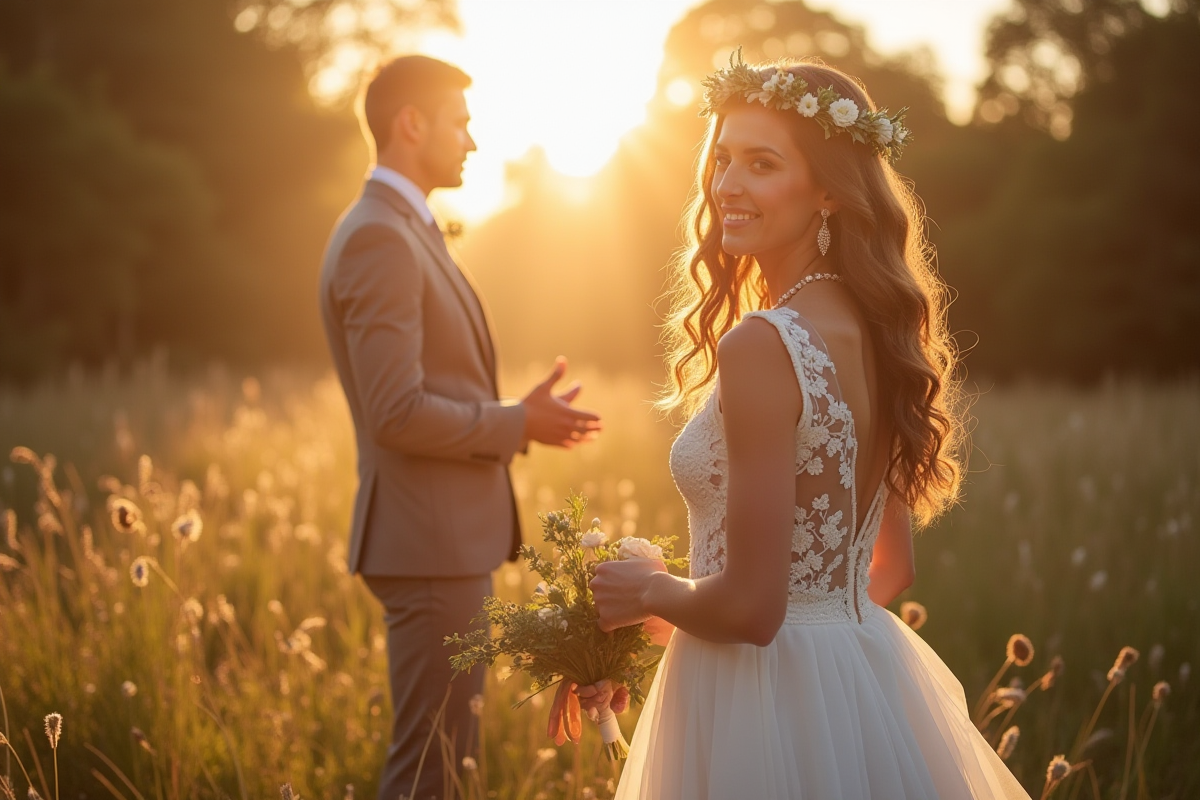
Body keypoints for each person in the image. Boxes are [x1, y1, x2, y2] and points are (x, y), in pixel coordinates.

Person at [585, 57, 1032, 798]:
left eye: (762, 164)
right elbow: (886, 571)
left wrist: (647, 592)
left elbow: (755, 611)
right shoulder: (882, 331)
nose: (728, 184)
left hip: (756, 702)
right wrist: (685, 619)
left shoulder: (761, 343)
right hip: (857, 682)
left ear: (828, 190)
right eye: (723, 159)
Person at [318, 55, 602, 800]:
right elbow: (395, 412)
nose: (473, 142)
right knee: (430, 770)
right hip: (428, 542)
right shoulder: (381, 237)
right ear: (410, 125)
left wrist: (521, 416)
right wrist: (516, 421)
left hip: (436, 538)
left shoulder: (402, 228)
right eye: (461, 123)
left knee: (441, 760)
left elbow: (422, 388)